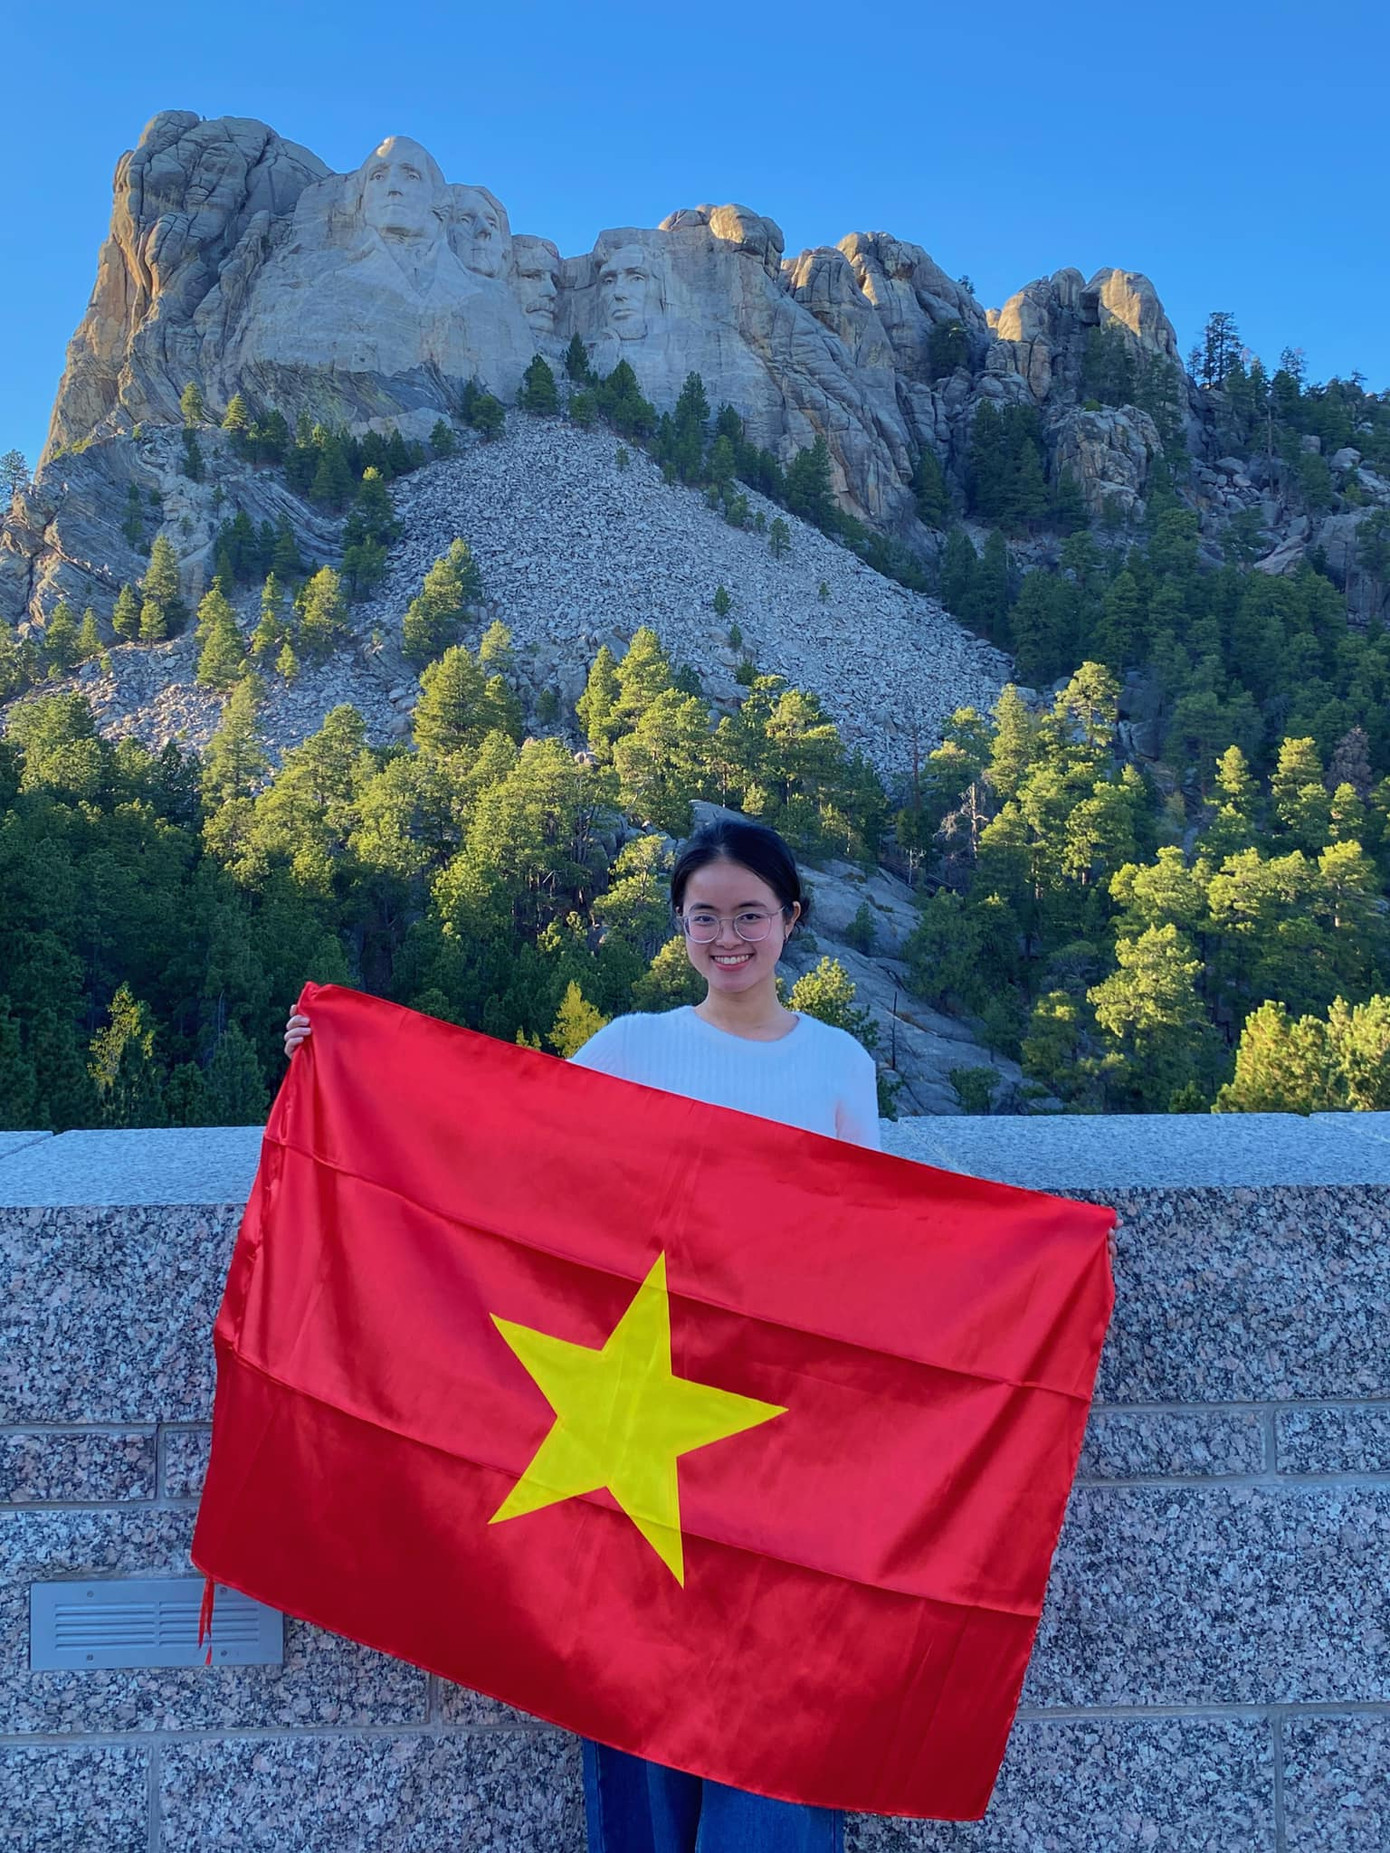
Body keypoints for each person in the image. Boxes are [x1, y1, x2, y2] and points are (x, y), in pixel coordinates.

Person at [284, 816, 872, 1851]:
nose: (727, 937)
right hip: (634, 1399)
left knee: (777, 1680)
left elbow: (869, 1237)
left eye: (749, 914)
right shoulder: (634, 1045)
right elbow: (495, 1130)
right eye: (704, 917)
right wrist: (342, 1061)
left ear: (791, 919)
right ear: (679, 926)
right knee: (641, 1675)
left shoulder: (838, 1062)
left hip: (775, 1419)